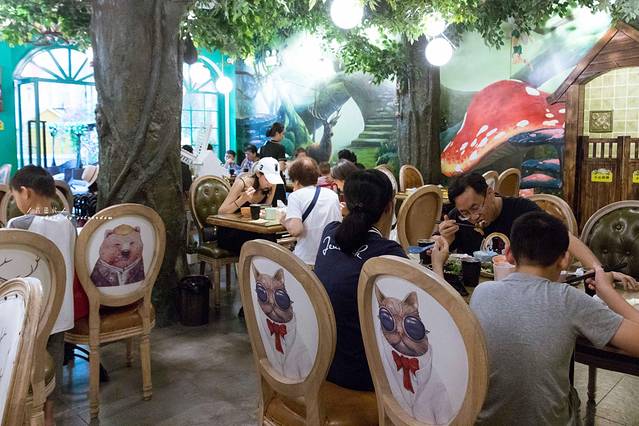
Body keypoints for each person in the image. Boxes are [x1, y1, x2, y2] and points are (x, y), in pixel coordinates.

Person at [470, 211, 639, 425]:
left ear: (509, 253)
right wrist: (607, 291)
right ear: (565, 259)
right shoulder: (569, 300)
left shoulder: (482, 292)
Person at [314, 169, 449, 391]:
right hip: (364, 375)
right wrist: (437, 264)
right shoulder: (387, 252)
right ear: (389, 207)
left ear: (345, 202)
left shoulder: (329, 232)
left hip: (321, 363)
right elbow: (434, 311)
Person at [438, 172, 638, 288]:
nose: (473, 217)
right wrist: (444, 239)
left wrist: (600, 271)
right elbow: (438, 253)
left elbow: (565, 237)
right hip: (481, 293)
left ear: (490, 193)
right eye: (465, 212)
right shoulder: (458, 217)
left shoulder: (521, 209)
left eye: (476, 208)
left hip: (524, 290)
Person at [8, 165, 77, 426]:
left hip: (28, 311)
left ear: (25, 193)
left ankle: (22, 407)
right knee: (54, 354)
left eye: (15, 196)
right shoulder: (68, 223)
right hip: (60, 307)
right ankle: (48, 415)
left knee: (24, 357)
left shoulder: (18, 224)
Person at [280, 157, 341, 266]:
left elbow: (296, 230)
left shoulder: (295, 196)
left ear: (296, 181)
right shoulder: (332, 195)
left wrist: (284, 221)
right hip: (331, 258)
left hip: (307, 261)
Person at [218, 157, 283, 214]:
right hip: (232, 222)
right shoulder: (241, 183)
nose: (270, 184)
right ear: (258, 174)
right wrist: (242, 199)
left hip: (253, 223)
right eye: (267, 179)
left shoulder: (272, 184)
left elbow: (265, 209)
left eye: (273, 180)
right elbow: (221, 212)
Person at [259, 122, 288, 205]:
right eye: (283, 134)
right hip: (277, 181)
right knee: (279, 206)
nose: (283, 136)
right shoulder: (280, 147)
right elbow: (281, 167)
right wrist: (285, 166)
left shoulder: (263, 148)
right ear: (277, 133)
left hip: (265, 181)